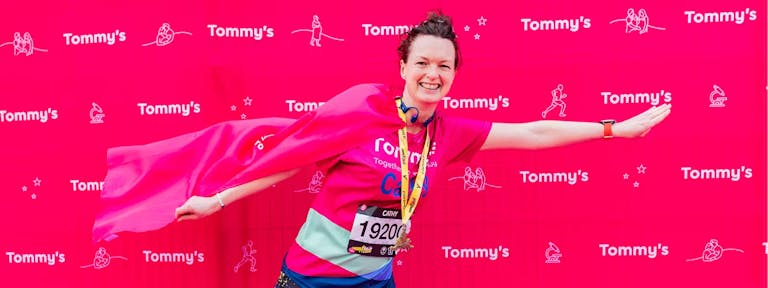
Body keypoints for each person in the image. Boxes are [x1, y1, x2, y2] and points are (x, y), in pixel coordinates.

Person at [96, 11, 671, 288]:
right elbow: (283, 163)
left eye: (443, 65)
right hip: (312, 279)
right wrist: (216, 202)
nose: (432, 73)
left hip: (376, 279)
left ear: (454, 75)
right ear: (402, 67)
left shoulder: (449, 133)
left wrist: (613, 130)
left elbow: (532, 132)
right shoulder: (359, 112)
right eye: (422, 62)